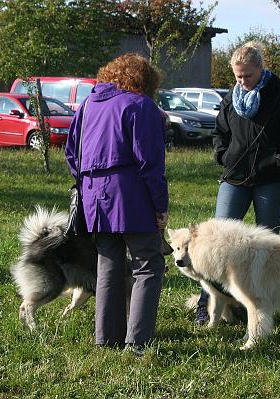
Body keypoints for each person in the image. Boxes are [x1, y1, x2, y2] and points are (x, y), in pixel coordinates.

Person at [193, 41, 280, 324]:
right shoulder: (230, 99)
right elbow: (219, 133)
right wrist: (222, 155)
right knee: (214, 241)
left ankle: (259, 306)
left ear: (261, 69)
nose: (242, 82)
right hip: (234, 177)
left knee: (266, 243)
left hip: (272, 180)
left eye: (247, 75)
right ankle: (207, 304)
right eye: (237, 76)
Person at [65, 54, 169, 355]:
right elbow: (150, 164)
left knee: (108, 264)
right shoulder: (141, 106)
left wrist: (89, 183)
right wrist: (160, 206)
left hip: (93, 197)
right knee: (148, 265)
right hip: (131, 196)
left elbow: (72, 155)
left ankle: (106, 339)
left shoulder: (87, 105)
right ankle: (137, 344)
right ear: (145, 81)